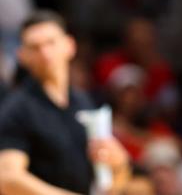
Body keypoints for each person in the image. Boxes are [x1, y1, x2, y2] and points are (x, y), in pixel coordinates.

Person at [0, 10, 130, 194]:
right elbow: (8, 179)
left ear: (69, 45)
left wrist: (120, 165)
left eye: (51, 43)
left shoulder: (83, 101)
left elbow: (107, 181)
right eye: (35, 47)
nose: (45, 53)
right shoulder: (16, 109)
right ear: (22, 56)